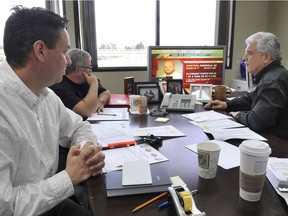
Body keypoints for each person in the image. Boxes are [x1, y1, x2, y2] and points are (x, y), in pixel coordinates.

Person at [0, 6, 105, 216]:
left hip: (46, 200)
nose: (68, 61)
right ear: (40, 50)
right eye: (65, 52)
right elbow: (6, 207)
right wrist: (69, 177)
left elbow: (79, 125)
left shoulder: (45, 94)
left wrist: (85, 151)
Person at [204, 32, 288, 138]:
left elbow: (259, 121)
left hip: (279, 145)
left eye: (249, 53)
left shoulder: (272, 80)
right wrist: (227, 105)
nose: (244, 58)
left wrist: (238, 115)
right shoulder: (274, 74)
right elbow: (252, 98)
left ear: (266, 57)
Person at [50, 48, 111, 120]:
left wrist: (100, 101)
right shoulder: (59, 87)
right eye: (89, 67)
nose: (91, 70)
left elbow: (106, 93)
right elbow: (86, 111)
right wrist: (94, 84)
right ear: (78, 70)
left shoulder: (85, 81)